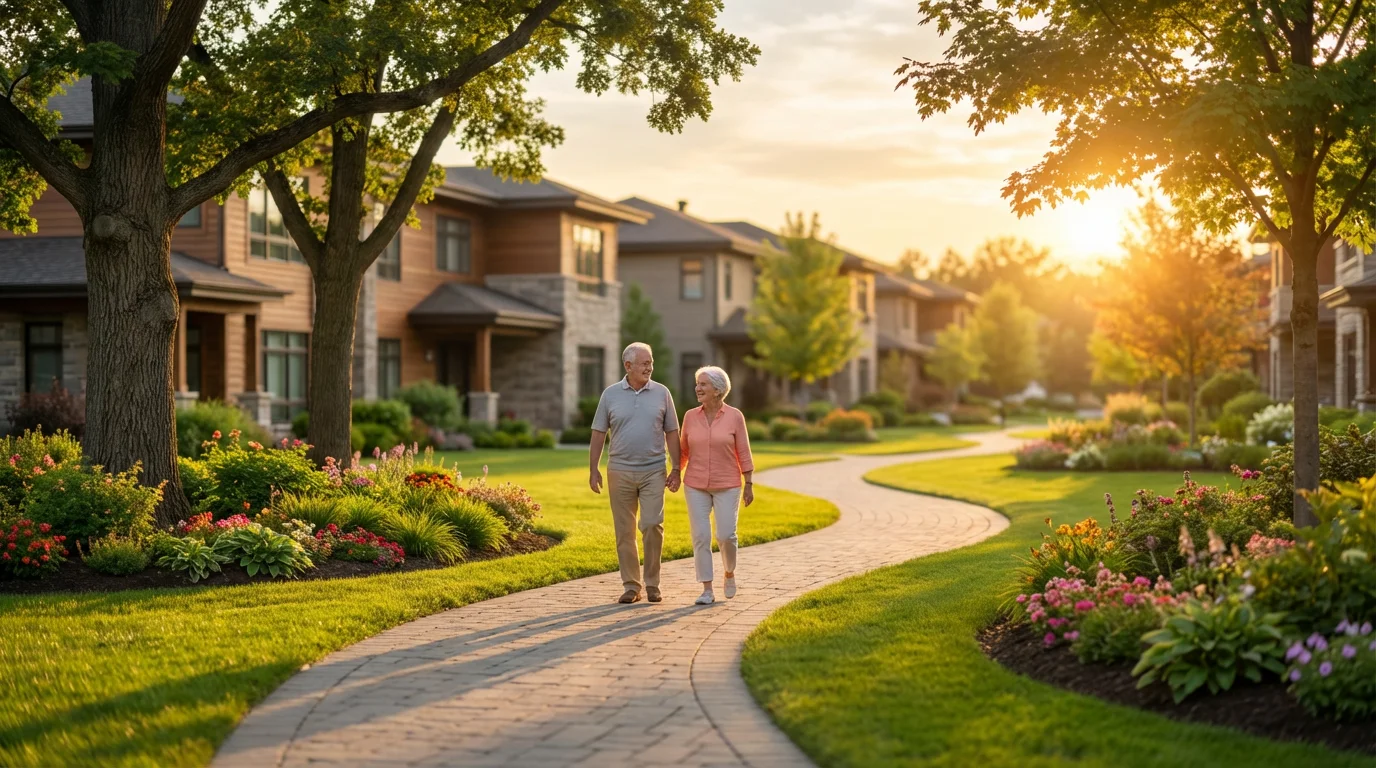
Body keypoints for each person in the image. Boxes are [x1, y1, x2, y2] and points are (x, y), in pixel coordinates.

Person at [589, 342, 682, 604]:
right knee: (624, 531)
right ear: (628, 366)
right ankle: (632, 585)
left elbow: (672, 432)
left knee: (652, 524)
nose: (649, 367)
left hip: (654, 470)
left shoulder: (662, 393)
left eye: (651, 362)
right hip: (619, 470)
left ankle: (652, 583)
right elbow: (598, 433)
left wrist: (676, 468)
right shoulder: (610, 395)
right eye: (644, 363)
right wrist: (593, 468)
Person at [678, 365, 753, 605]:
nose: (697, 388)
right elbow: (683, 450)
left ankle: (729, 572)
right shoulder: (690, 416)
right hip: (695, 483)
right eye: (697, 383)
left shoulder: (734, 416)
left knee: (726, 535)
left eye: (703, 384)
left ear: (718, 390)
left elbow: (743, 450)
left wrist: (749, 481)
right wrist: (674, 472)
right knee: (700, 535)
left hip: (728, 483)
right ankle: (707, 589)